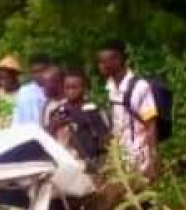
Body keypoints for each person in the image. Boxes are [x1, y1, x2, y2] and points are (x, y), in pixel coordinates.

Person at [97, 40, 159, 178]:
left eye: (103, 61)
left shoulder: (140, 87)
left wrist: (152, 160)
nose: (100, 66)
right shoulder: (110, 87)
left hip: (140, 157)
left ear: (117, 60)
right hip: (121, 158)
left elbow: (151, 124)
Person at [47, 68, 110, 172]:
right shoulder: (57, 111)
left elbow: (103, 136)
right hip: (67, 163)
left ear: (84, 88)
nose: (71, 91)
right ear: (63, 88)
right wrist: (54, 124)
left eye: (75, 87)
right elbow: (48, 137)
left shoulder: (91, 109)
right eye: (67, 87)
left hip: (91, 161)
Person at [0, 55, 23, 132]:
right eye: (0, 77)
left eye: (5, 77)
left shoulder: (23, 95)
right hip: (0, 136)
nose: (2, 81)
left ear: (14, 76)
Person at [13, 54, 52, 127]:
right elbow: (17, 120)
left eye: (42, 71)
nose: (38, 75)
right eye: (35, 72)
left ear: (49, 70)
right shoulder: (23, 92)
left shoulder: (54, 90)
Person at [40, 64, 66, 129]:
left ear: (58, 82)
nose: (42, 87)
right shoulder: (47, 104)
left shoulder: (69, 103)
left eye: (45, 83)